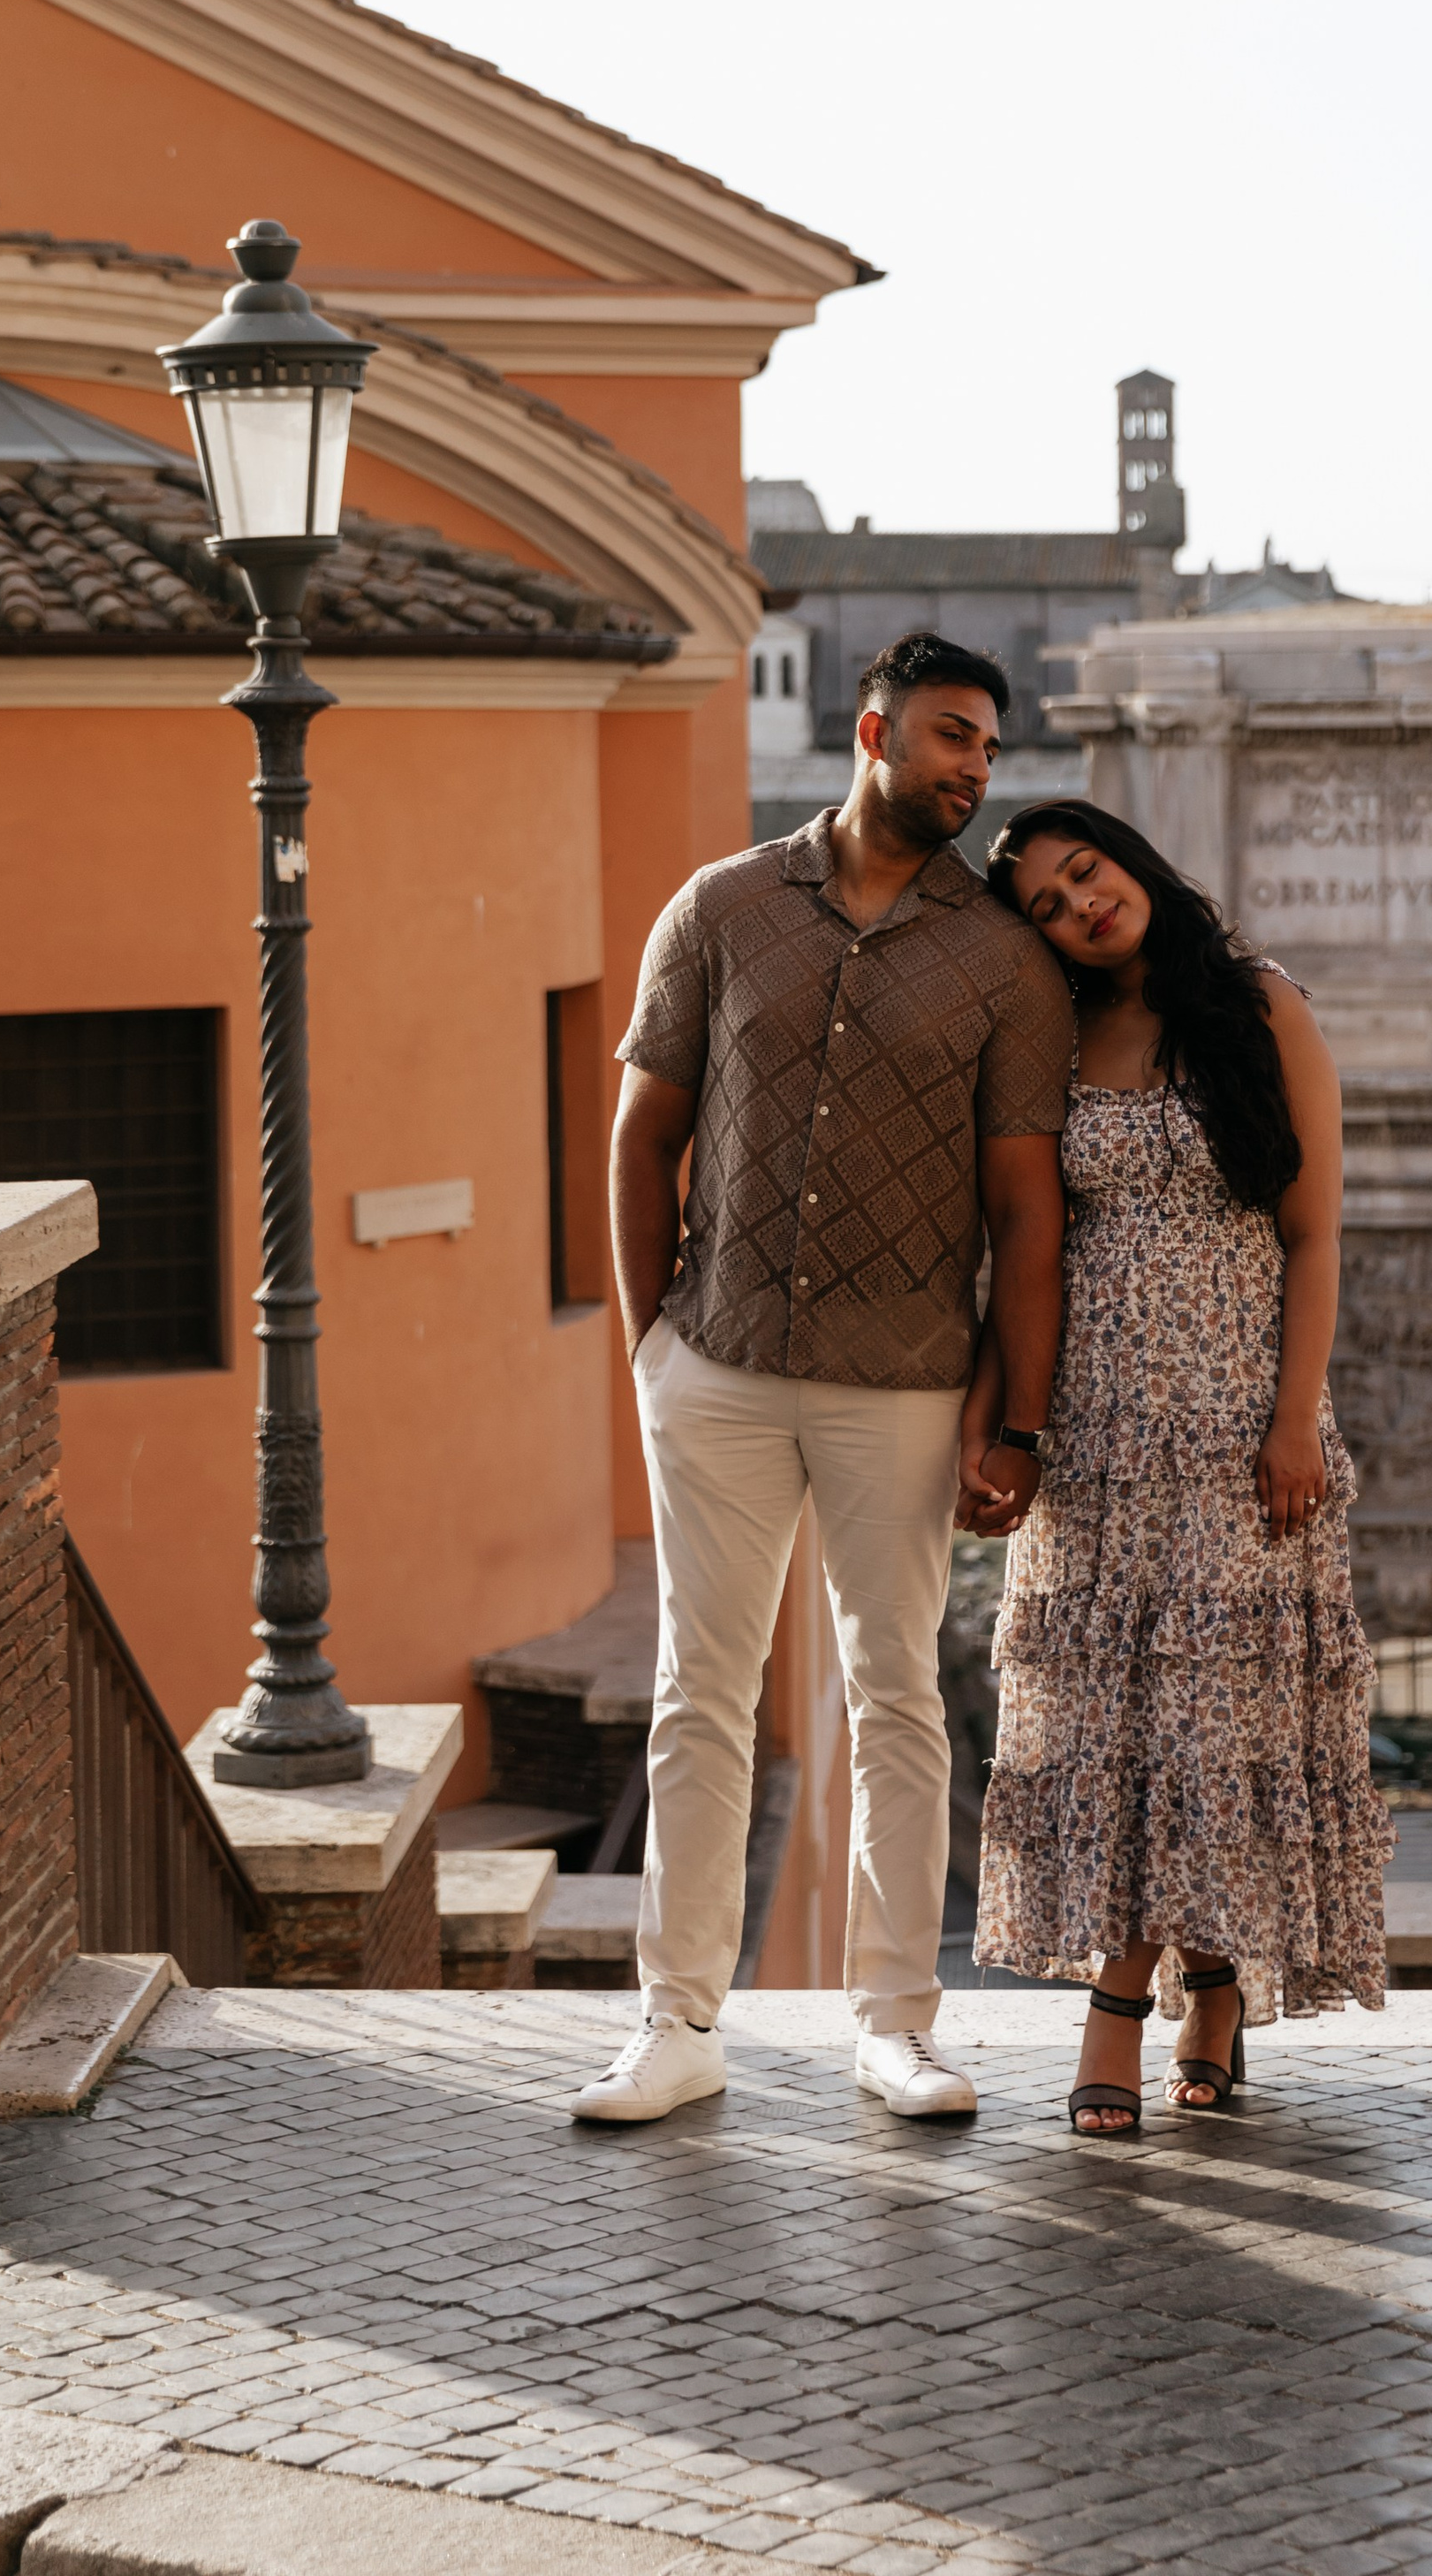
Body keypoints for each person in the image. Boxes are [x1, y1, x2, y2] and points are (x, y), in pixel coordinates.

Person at [574, 631, 1072, 2125]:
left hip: (906, 1384)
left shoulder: (1004, 962)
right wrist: (645, 1343)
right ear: (873, 731)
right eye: (950, 739)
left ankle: (898, 2024)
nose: (975, 769)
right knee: (698, 1697)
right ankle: (675, 2023)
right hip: (713, 1365)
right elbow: (641, 1137)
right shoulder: (719, 911)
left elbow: (1026, 1213)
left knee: (899, 1696)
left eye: (987, 746)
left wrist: (1019, 1411)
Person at [962, 798, 1390, 2133]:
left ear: (1132, 865)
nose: (1080, 904)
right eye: (1046, 904)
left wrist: (1292, 1420)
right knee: (1108, 1730)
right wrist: (1001, 1423)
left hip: (1232, 1432)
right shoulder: (1055, 1039)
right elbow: (1019, 1243)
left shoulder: (1262, 1007)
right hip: (1094, 1433)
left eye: (1085, 872)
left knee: (1211, 1729)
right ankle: (1214, 1986)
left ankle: (1119, 2008)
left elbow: (1313, 1234)